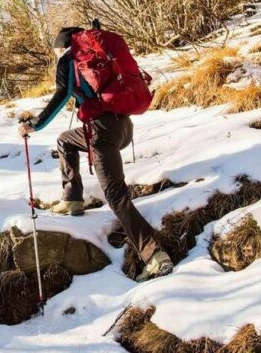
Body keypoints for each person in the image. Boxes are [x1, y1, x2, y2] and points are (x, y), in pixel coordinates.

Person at [18, 27, 173, 281]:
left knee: (115, 195)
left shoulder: (70, 59)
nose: (56, 54)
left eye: (56, 50)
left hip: (102, 132)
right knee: (65, 141)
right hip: (122, 127)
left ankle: (155, 256)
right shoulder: (101, 54)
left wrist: (34, 125)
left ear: (63, 46)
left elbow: (61, 95)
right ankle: (72, 198)